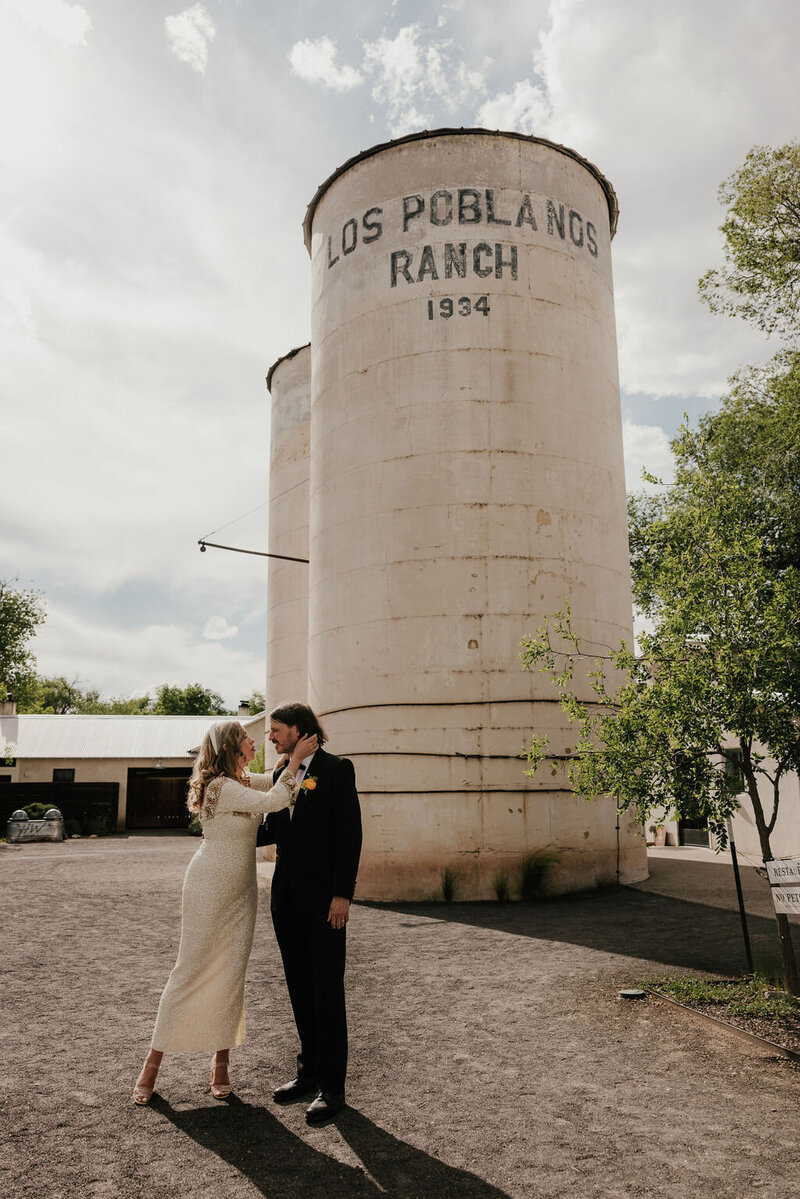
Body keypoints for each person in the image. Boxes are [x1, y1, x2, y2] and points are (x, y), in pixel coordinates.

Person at [132, 719, 318, 1106]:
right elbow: (274, 800)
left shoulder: (243, 781)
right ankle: (151, 1064)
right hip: (208, 885)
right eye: (247, 738)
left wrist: (291, 762)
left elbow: (274, 782)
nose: (255, 741)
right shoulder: (219, 786)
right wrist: (295, 758)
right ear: (233, 746)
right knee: (189, 969)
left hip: (241, 891)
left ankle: (221, 1064)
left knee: (232, 973)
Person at [257, 701, 362, 1124]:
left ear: (299, 729)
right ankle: (308, 1073)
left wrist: (342, 894)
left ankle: (332, 1087)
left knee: (326, 990)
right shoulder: (281, 773)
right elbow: (270, 829)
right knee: (299, 987)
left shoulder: (337, 769)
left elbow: (349, 834)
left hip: (324, 902)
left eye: (276, 730)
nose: (270, 737)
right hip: (286, 900)